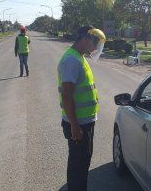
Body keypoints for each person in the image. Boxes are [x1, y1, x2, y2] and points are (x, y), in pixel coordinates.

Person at [57, 25, 106, 191]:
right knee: (78, 165)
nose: (95, 48)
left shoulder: (79, 57)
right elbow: (67, 95)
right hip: (79, 124)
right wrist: (74, 125)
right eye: (95, 44)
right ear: (85, 39)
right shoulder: (72, 60)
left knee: (82, 162)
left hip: (84, 121)